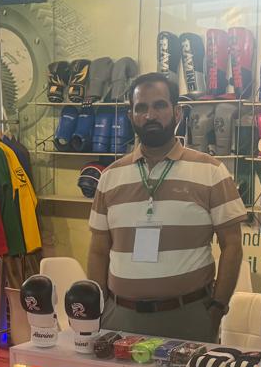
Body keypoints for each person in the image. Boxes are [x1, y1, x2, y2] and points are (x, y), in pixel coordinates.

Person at [87, 72, 245, 342]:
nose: (150, 115)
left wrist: (218, 307)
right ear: (130, 116)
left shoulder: (211, 172)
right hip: (118, 318)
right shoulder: (110, 177)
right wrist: (98, 308)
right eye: (141, 108)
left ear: (177, 112)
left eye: (159, 105)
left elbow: (232, 245)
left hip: (188, 318)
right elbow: (98, 251)